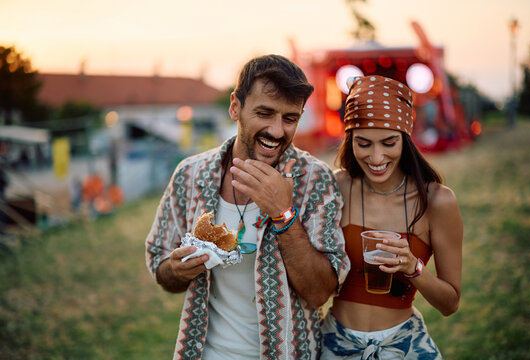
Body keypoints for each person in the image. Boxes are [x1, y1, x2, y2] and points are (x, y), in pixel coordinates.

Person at [145, 54, 350, 360]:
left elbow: (321, 292)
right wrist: (177, 269)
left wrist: (284, 215)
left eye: (290, 118)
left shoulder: (314, 180)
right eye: (264, 113)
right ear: (235, 107)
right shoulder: (190, 175)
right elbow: (161, 267)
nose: (277, 131)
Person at [321, 75, 463, 359]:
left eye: (388, 143)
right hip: (336, 343)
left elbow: (450, 304)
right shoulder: (337, 187)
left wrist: (413, 267)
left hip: (403, 345)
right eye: (363, 143)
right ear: (350, 140)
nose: (376, 157)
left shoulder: (437, 200)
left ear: (405, 139)